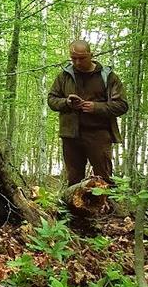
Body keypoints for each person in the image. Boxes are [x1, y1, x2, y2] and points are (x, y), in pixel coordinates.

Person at [47, 40, 128, 185]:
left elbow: (121, 105)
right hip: (71, 135)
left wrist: (96, 107)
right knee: (73, 180)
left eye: (82, 58)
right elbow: (52, 100)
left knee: (104, 180)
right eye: (73, 58)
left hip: (99, 135)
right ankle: (73, 207)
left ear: (91, 55)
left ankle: (107, 207)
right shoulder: (64, 76)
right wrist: (67, 102)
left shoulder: (108, 77)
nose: (77, 62)